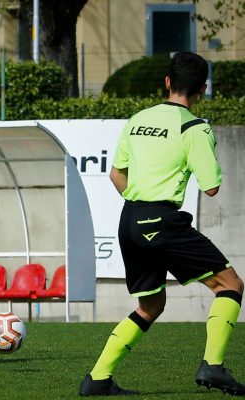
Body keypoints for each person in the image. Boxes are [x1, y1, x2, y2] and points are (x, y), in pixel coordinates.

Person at [79, 51, 245, 396]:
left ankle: (97, 379)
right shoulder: (194, 127)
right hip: (162, 220)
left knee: (151, 305)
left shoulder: (137, 119)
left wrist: (142, 209)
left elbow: (115, 175)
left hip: (129, 219)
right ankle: (212, 367)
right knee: (230, 285)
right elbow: (211, 187)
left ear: (167, 82)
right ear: (202, 89)